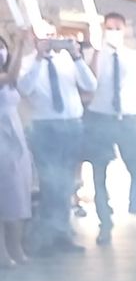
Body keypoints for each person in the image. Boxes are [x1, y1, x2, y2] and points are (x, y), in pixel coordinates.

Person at [19, 31, 97, 255]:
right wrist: (38, 58)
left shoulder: (67, 60)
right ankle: (45, 236)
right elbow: (24, 88)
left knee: (65, 183)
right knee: (49, 182)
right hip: (44, 127)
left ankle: (62, 234)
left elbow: (90, 84)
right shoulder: (27, 62)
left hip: (72, 125)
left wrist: (77, 57)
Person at [84, 12, 136, 245]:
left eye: (117, 28)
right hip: (100, 118)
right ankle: (105, 222)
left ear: (125, 29)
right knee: (99, 173)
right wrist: (95, 51)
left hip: (128, 119)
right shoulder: (94, 56)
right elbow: (88, 84)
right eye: (109, 28)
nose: (113, 32)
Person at [0, 31, 31, 268]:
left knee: (18, 192)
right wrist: (21, 46)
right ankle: (3, 251)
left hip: (14, 135)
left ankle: (16, 246)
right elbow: (10, 77)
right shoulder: (6, 78)